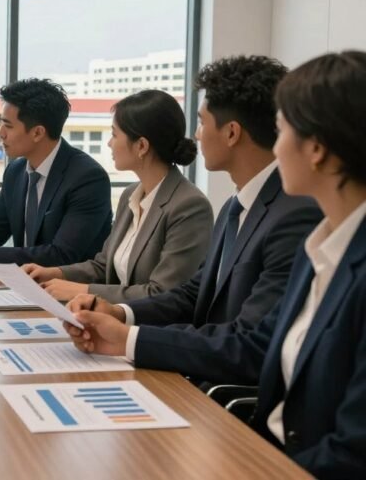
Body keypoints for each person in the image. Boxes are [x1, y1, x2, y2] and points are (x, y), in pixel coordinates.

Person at [66, 51, 366, 479]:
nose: (276, 148)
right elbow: (250, 335)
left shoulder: (302, 225)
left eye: (282, 132)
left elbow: (351, 452)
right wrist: (123, 329)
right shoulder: (313, 242)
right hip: (256, 442)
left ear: (316, 149)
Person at [65, 56, 320, 349]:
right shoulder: (234, 207)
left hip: (215, 387)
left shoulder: (293, 216)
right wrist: (119, 312)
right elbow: (193, 293)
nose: (196, 134)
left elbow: (248, 342)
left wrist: (129, 339)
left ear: (232, 133)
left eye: (201, 122)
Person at [22, 89, 213, 302]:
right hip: (112, 321)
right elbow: (104, 266)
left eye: (114, 134)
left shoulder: (189, 206)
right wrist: (56, 273)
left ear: (141, 146)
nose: (109, 143)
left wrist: (83, 291)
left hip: (151, 330)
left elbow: (162, 293)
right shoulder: (131, 195)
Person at [0, 78, 112, 267]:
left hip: (70, 290)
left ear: (37, 133)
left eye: (8, 126)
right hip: (22, 285)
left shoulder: (88, 178)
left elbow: (62, 255)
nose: (0, 133)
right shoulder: (16, 170)